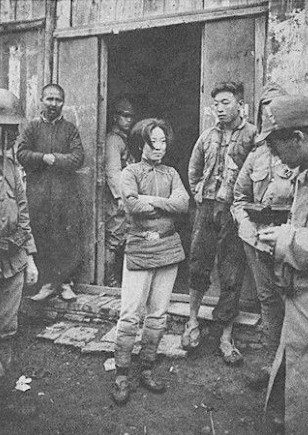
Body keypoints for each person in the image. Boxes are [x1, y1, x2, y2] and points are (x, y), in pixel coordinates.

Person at [112, 118, 189, 405]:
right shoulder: (129, 172)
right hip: (140, 245)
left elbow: (183, 204)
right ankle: (121, 373)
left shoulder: (171, 173)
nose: (158, 147)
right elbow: (133, 206)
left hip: (168, 246)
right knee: (130, 313)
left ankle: (146, 367)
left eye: (163, 142)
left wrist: (153, 202)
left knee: (158, 313)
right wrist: (162, 203)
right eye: (153, 141)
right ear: (140, 143)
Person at [182, 81, 256, 364]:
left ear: (240, 104)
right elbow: (193, 170)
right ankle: (192, 322)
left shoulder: (252, 136)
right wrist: (200, 195)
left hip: (233, 212)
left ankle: (226, 334)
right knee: (199, 263)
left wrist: (241, 206)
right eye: (216, 104)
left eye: (226, 102)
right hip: (206, 208)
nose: (220, 109)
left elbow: (256, 172)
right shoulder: (207, 136)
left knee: (231, 270)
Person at [232, 83, 296, 388]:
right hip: (255, 241)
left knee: (292, 301)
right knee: (268, 301)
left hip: (290, 245)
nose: (269, 110)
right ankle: (273, 366)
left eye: (275, 104)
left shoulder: (297, 153)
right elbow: (238, 197)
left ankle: (294, 368)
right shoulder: (256, 154)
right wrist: (245, 224)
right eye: (265, 105)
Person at [254, 95, 308, 434]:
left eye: (276, 148)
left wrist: (284, 240)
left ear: (298, 139)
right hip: (299, 295)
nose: (275, 157)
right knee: (293, 366)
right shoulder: (303, 175)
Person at [17, 84, 84, 301]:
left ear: (63, 103)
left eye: (58, 100)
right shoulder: (32, 127)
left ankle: (65, 283)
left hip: (64, 196)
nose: (53, 104)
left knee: (65, 237)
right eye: (49, 99)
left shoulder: (70, 129)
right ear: (41, 100)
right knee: (41, 235)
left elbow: (77, 157)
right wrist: (41, 158)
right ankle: (46, 283)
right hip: (38, 194)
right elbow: (21, 153)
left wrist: (55, 158)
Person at [0, 89, 38, 391]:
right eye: (5, 130)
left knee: (8, 324)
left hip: (13, 258)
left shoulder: (11, 166)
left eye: (13, 130)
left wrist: (31, 257)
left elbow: (23, 212)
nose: (10, 137)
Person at [105, 97, 135, 287]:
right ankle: (109, 281)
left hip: (123, 196)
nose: (129, 120)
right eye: (124, 116)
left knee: (122, 237)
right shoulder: (114, 140)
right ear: (115, 117)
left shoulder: (123, 139)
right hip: (116, 199)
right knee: (113, 240)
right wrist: (120, 198)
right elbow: (113, 171)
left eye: (131, 116)